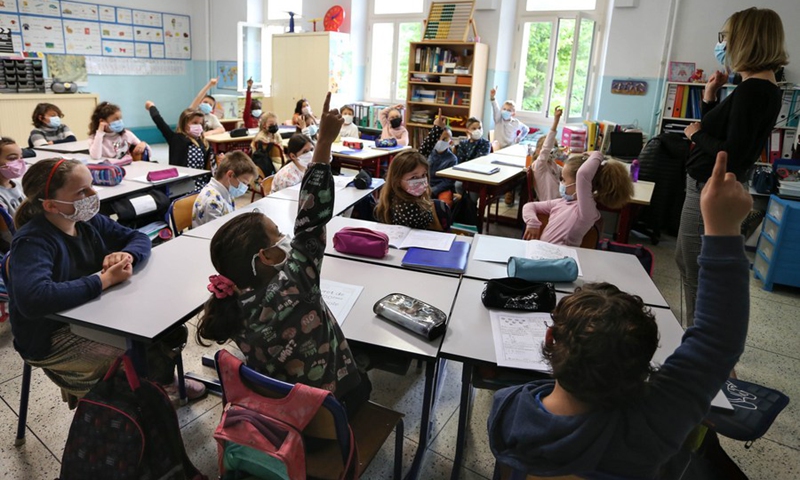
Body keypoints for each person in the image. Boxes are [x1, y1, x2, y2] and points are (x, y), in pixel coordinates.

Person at [488, 151, 753, 479]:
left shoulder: (509, 408)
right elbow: (717, 341)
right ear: (644, 367)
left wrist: (721, 229)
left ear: (550, 339)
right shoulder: (650, 427)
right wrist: (724, 230)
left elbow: (717, 343)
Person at [196, 93, 370, 416]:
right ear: (264, 256)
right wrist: (324, 144)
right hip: (328, 412)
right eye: (278, 236)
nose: (286, 238)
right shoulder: (296, 282)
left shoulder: (232, 303)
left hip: (283, 412)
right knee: (364, 374)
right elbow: (311, 219)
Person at [8, 158, 205, 407]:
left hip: (94, 312)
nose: (93, 194)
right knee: (135, 352)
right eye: (82, 191)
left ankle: (158, 383)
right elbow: (34, 299)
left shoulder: (88, 221)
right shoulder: (33, 241)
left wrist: (128, 254)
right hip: (50, 335)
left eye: (91, 186)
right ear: (51, 205)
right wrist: (103, 280)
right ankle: (130, 401)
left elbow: (137, 237)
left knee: (170, 330)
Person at [677, 7, 787, 326]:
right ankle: (696, 343)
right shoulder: (755, 87)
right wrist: (711, 98)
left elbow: (731, 153)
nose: (722, 44)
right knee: (687, 263)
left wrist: (696, 134)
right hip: (704, 185)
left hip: (708, 189)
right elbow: (725, 133)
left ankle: (699, 349)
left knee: (695, 270)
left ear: (745, 40)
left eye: (725, 37)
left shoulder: (755, 90)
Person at [522, 152, 632, 247]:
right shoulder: (562, 202)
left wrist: (598, 154)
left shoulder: (586, 211)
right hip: (541, 253)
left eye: (564, 180)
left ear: (579, 184)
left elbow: (583, 174)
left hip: (560, 262)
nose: (561, 183)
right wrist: (532, 223)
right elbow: (530, 206)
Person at [145, 101, 213, 191]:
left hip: (202, 184)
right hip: (181, 185)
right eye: (195, 123)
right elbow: (159, 121)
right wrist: (151, 107)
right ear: (184, 124)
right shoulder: (176, 139)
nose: (199, 126)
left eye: (201, 123)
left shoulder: (203, 143)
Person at [375, 151, 444, 230]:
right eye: (414, 177)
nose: (421, 181)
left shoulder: (394, 194)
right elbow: (435, 228)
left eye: (423, 175)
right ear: (397, 180)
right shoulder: (408, 207)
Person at [192, 151, 258, 228]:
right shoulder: (212, 201)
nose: (245, 187)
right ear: (230, 175)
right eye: (244, 183)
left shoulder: (226, 191)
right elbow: (216, 234)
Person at [491, 87, 529, 205]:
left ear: (514, 113)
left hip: (510, 150)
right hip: (498, 151)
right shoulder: (498, 120)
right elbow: (495, 109)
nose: (506, 111)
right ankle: (495, 192)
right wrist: (493, 98)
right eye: (504, 109)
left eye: (509, 110)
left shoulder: (516, 123)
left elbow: (526, 129)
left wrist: (519, 138)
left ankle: (509, 192)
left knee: (513, 171)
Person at [532, 106, 564, 201]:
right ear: (538, 151)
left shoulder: (553, 165)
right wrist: (556, 121)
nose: (552, 150)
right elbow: (546, 148)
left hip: (559, 201)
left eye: (554, 147)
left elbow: (565, 171)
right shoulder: (539, 166)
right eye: (551, 147)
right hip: (549, 204)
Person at [250, 111, 282, 178]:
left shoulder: (276, 134)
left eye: (275, 123)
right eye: (271, 124)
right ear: (264, 125)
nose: (274, 125)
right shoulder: (260, 138)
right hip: (267, 163)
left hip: (277, 161)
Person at [0, 138, 26, 217]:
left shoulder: (18, 184)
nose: (20, 162)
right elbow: (8, 228)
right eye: (12, 158)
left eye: (21, 157)